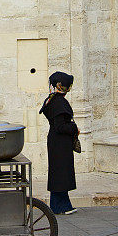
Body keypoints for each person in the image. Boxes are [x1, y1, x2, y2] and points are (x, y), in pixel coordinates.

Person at [39, 71, 79, 215]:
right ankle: (61, 206)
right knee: (60, 173)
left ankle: (60, 205)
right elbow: (60, 126)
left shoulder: (52, 100)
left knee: (59, 173)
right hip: (60, 142)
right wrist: (74, 128)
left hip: (57, 142)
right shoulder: (59, 102)